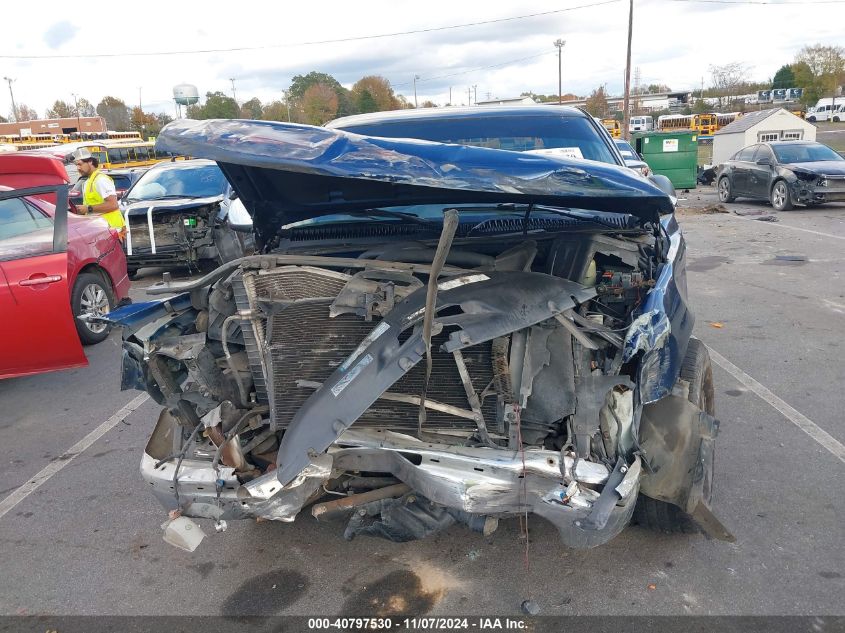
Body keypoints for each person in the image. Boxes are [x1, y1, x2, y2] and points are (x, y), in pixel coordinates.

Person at [72, 148, 124, 232]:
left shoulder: (101, 180)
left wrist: (88, 209)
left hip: (113, 229)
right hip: (103, 229)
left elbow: (113, 205)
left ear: (90, 162)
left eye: (80, 164)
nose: (78, 168)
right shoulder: (88, 181)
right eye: (76, 165)